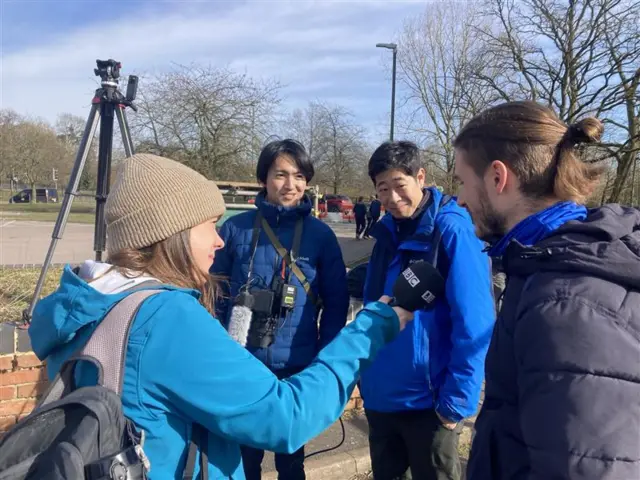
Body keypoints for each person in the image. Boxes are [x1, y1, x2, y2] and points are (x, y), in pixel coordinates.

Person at [27, 153, 413, 480]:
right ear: (171, 233)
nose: (220, 240)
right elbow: (286, 417)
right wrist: (371, 328)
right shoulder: (164, 317)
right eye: (209, 226)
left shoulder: (84, 300)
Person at [453, 101, 640, 479]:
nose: (458, 199)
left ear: (497, 177)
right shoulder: (548, 267)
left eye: (461, 182)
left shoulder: (565, 303)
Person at [211, 139, 350, 480]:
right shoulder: (234, 229)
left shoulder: (321, 236)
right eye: (281, 175)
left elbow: (336, 302)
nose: (291, 185)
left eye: (299, 176)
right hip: (242, 367)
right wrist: (217, 348)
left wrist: (325, 358)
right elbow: (212, 294)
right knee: (244, 461)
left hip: (297, 368)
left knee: (291, 462)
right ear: (264, 179)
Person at [359, 141, 496, 480]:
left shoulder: (452, 230)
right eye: (383, 188)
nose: (392, 197)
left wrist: (455, 404)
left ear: (420, 177)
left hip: (429, 407)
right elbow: (371, 311)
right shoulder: (384, 234)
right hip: (381, 400)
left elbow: (476, 323)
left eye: (399, 185)